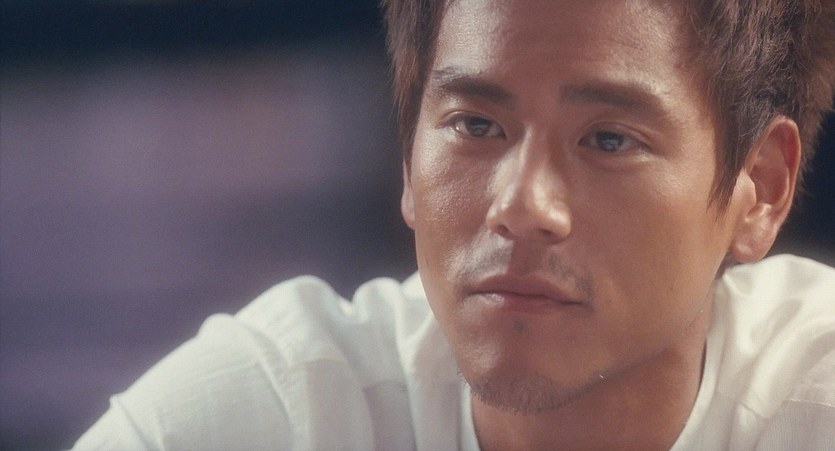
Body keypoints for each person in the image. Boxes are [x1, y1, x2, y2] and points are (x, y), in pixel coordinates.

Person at [74, 0, 835, 449]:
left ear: (759, 189)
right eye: (475, 125)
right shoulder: (280, 411)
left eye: (608, 140)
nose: (521, 206)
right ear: (409, 161)